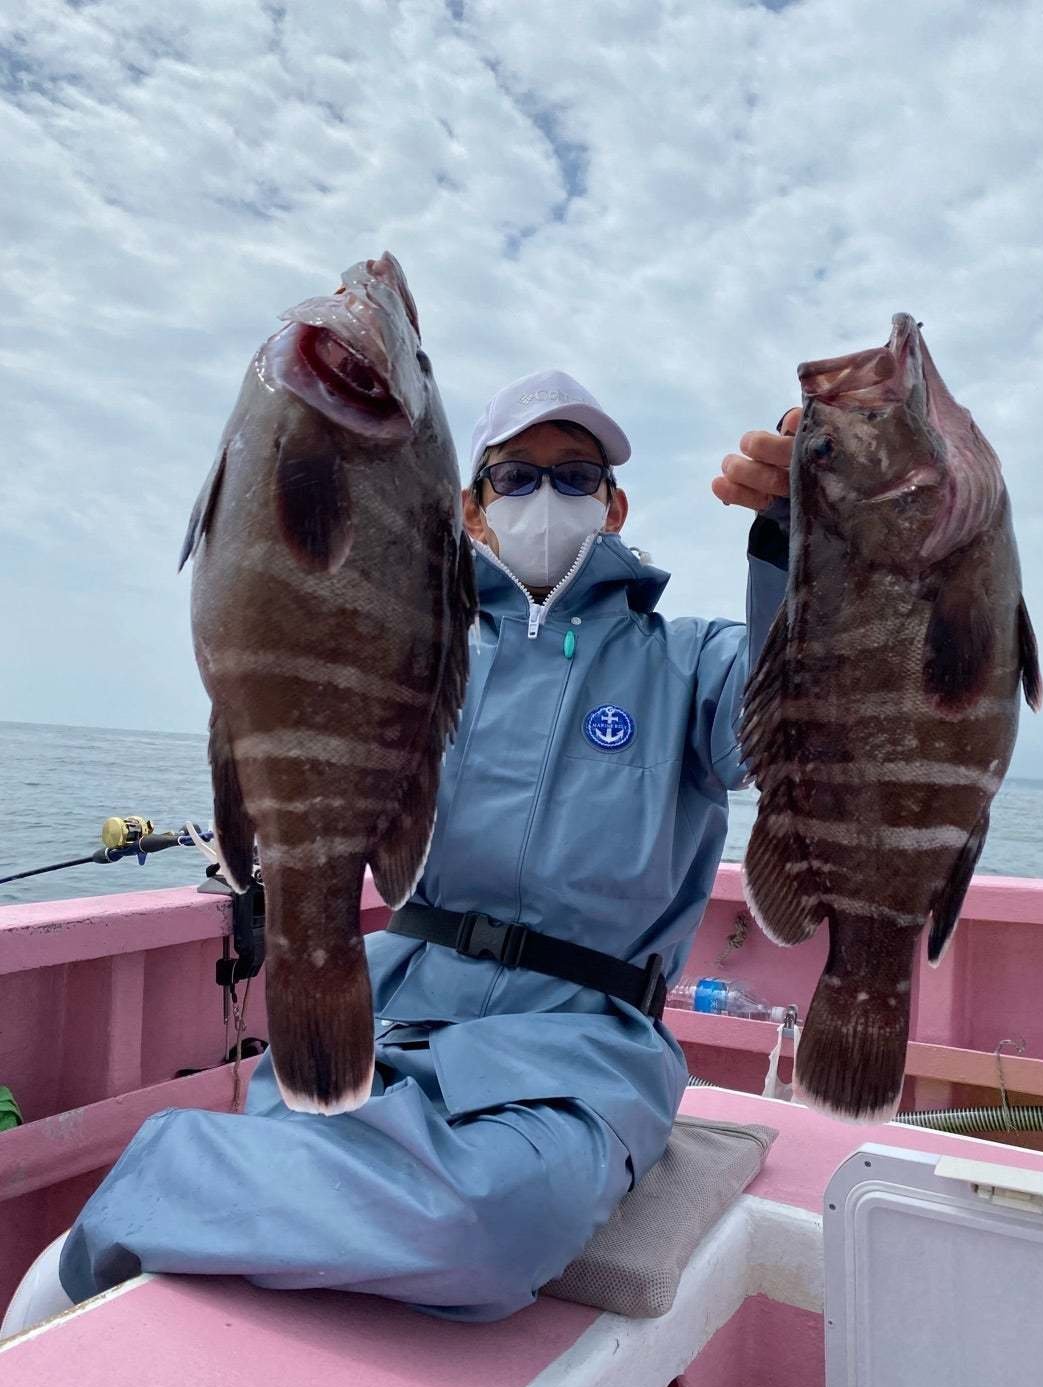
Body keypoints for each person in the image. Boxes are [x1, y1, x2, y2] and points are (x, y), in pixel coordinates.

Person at [2, 373, 799, 1335]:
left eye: (576, 475)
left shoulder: (695, 660)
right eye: (516, 477)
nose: (546, 496)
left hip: (583, 1046)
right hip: (381, 1013)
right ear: (470, 507)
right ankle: (318, 1189)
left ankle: (166, 1178)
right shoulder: (409, 651)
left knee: (498, 1223)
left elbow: (798, 721)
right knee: (395, 1172)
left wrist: (806, 539)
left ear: (614, 504)